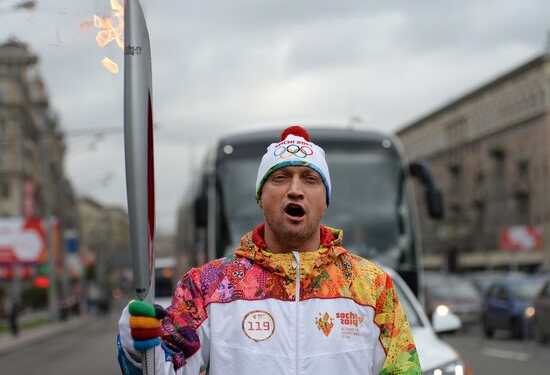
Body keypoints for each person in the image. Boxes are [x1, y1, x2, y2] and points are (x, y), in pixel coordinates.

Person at [117, 125, 421, 375]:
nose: (295, 189)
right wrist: (139, 348)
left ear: (325, 200)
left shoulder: (371, 287)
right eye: (280, 177)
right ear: (261, 197)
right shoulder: (208, 287)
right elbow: (164, 370)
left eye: (311, 179)